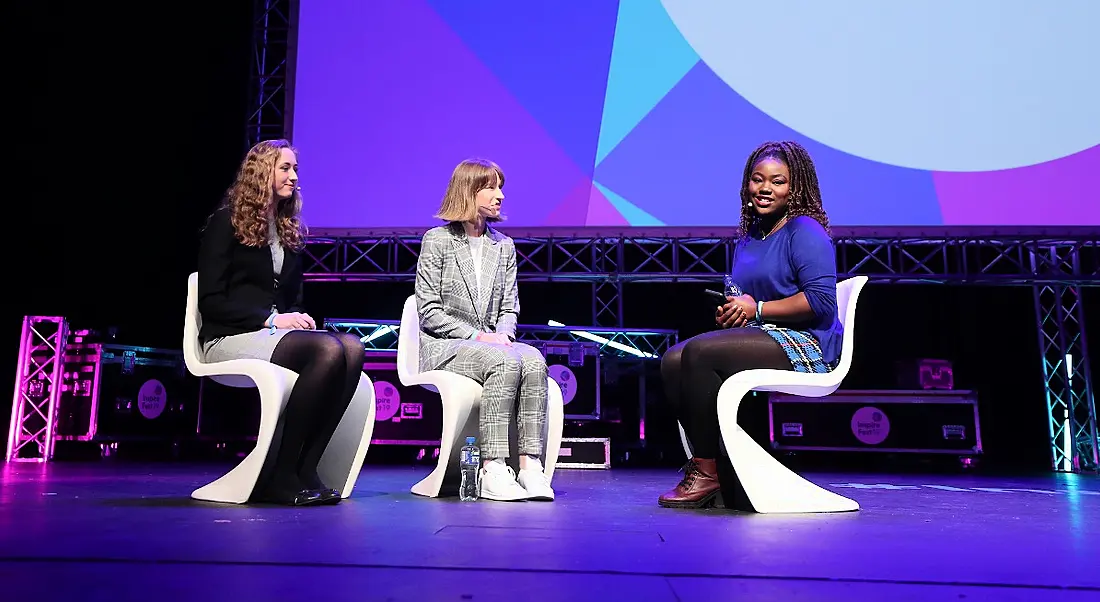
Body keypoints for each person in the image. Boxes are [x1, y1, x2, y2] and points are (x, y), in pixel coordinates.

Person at [658, 141, 842, 509]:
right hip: (765, 334)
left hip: (805, 342)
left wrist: (755, 308)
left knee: (698, 353)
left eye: (777, 181)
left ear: (796, 188)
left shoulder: (804, 230)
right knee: (673, 359)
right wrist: (734, 312)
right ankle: (718, 465)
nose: (765, 188)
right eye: (757, 180)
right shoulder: (748, 240)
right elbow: (747, 301)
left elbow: (820, 302)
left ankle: (707, 472)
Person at [197, 139, 367, 506]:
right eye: (285, 168)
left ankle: (306, 467)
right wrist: (272, 319)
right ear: (262, 173)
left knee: (351, 348)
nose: (294, 177)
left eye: (295, 169)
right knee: (326, 350)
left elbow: (289, 300)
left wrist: (295, 319)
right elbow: (211, 302)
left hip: (268, 334)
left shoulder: (286, 230)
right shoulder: (226, 222)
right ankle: (282, 471)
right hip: (228, 337)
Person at [413, 158, 555, 502]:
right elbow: (429, 311)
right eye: (491, 187)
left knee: (534, 359)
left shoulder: (503, 245)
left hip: (492, 345)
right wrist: (480, 337)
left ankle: (530, 466)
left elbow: (510, 306)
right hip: (445, 346)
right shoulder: (437, 240)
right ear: (468, 190)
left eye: (499, 187)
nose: (500, 195)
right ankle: (492, 467)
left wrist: (503, 335)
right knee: (504, 362)